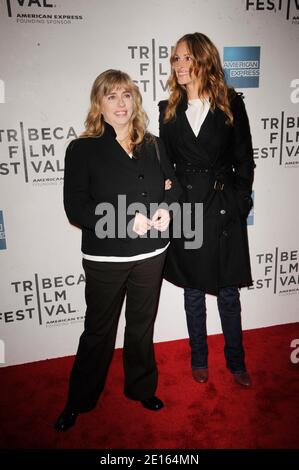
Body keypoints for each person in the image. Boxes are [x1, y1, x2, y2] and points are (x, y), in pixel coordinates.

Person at [55, 69, 181, 431]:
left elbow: (173, 189)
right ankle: (79, 400)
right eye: (111, 96)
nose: (120, 103)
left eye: (126, 95)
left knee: (141, 327)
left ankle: (141, 388)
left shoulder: (154, 144)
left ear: (135, 100)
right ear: (99, 104)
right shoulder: (83, 149)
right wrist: (126, 221)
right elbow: (76, 208)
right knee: (98, 331)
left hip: (151, 255)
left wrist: (165, 206)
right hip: (105, 259)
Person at [158, 33, 255, 388]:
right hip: (187, 209)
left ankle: (236, 361)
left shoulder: (230, 103)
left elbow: (245, 158)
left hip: (223, 207)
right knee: (194, 291)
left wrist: (240, 201)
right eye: (175, 59)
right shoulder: (167, 111)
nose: (179, 66)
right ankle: (199, 358)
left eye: (186, 58)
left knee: (229, 292)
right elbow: (165, 164)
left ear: (203, 60)